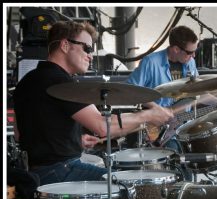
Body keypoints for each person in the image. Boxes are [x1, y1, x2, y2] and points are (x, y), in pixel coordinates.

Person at [13, 20, 172, 186]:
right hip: (61, 171)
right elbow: (103, 126)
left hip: (36, 173)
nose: (90, 55)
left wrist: (73, 140)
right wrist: (148, 115)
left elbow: (20, 134)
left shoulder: (27, 80)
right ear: (65, 45)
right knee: (135, 185)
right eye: (87, 48)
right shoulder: (61, 83)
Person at [126, 25, 200, 180]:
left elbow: (196, 91)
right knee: (180, 166)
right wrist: (158, 109)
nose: (193, 56)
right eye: (189, 52)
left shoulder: (190, 64)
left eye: (195, 51)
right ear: (175, 49)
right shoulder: (150, 62)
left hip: (183, 123)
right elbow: (131, 91)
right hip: (159, 127)